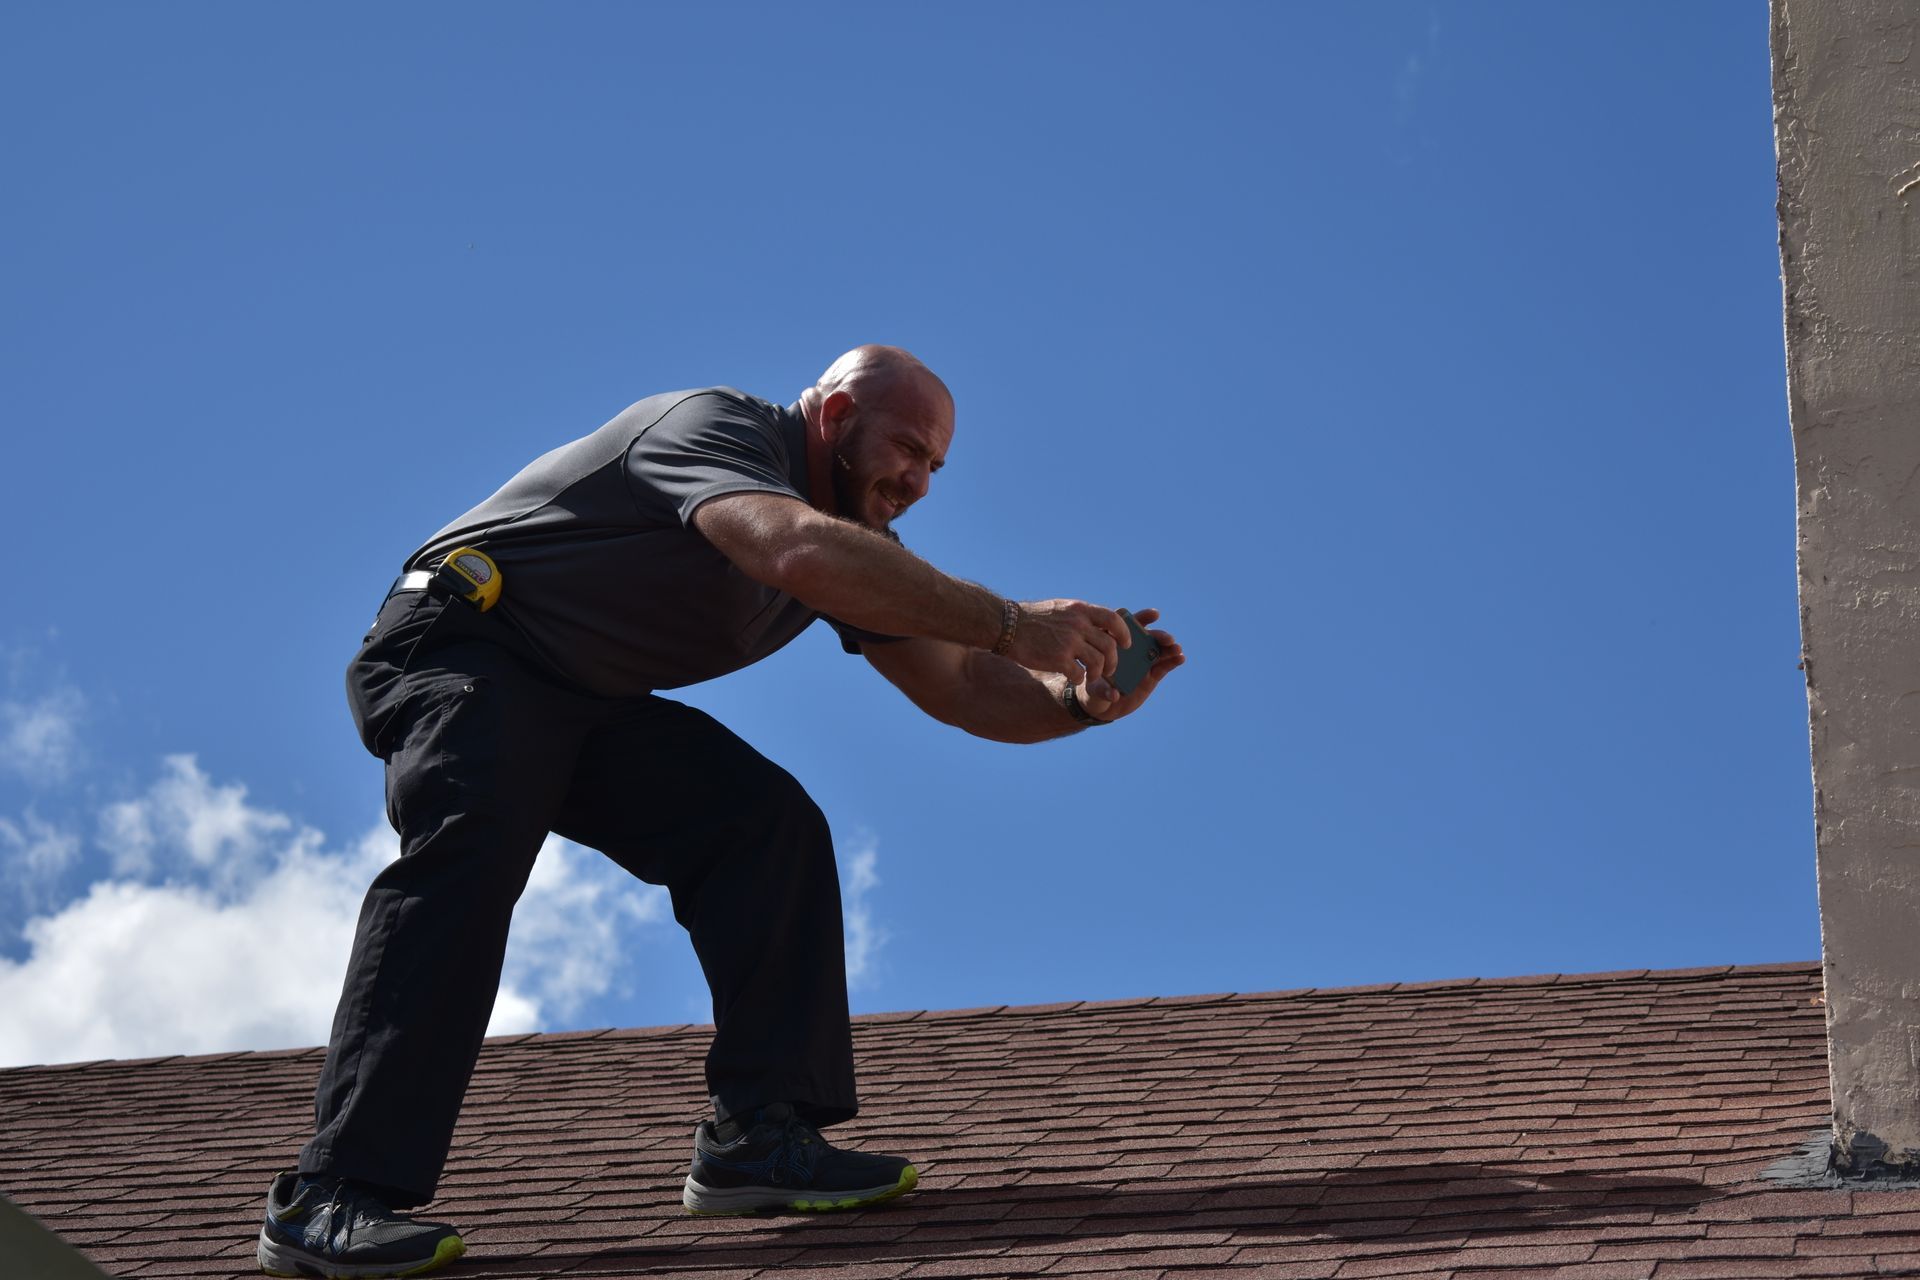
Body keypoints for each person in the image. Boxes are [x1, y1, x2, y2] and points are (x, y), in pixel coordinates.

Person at [256, 345, 1185, 1278]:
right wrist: (1016, 623)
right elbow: (787, 547)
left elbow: (967, 692)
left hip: (585, 696)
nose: (918, 481)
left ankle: (756, 1137)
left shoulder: (858, 552)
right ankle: (332, 1195)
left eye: (936, 466)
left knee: (763, 825)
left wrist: (1073, 705)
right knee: (473, 852)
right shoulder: (717, 430)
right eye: (906, 448)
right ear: (832, 420)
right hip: (464, 649)